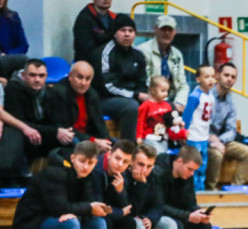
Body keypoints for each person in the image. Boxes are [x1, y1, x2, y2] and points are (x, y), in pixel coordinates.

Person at [92, 13, 149, 142]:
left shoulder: (138, 54)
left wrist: (145, 96)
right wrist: (136, 95)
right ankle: (128, 149)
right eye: (123, 30)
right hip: (104, 99)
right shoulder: (105, 52)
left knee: (160, 105)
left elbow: (142, 82)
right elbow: (107, 86)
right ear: (114, 33)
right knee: (131, 107)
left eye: (131, 30)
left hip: (130, 97)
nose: (127, 34)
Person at [43, 61, 113, 156]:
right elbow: (65, 128)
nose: (83, 83)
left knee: (117, 146)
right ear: (70, 76)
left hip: (88, 137)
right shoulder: (58, 93)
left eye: (87, 79)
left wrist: (106, 142)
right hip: (68, 139)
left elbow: (100, 124)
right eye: (79, 77)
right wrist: (94, 141)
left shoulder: (92, 95)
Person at [205, 62, 248, 190]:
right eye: (226, 75)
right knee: (216, 154)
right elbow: (198, 125)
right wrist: (213, 140)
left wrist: (220, 140)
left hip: (221, 140)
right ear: (217, 76)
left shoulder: (230, 102)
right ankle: (211, 189)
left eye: (233, 77)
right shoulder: (205, 95)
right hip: (202, 139)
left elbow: (232, 130)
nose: (229, 79)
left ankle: (235, 190)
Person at [137, 14, 189, 113]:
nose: (167, 33)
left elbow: (183, 84)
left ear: (175, 32)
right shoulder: (142, 51)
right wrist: (162, 102)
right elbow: (144, 82)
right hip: (151, 100)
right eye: (163, 29)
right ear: (155, 29)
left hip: (172, 101)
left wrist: (180, 102)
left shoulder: (177, 54)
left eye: (170, 30)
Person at [181, 65, 216, 191]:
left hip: (203, 136)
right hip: (193, 136)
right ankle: (192, 190)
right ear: (198, 79)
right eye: (207, 77)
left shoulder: (211, 96)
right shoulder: (195, 96)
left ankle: (201, 189)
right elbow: (187, 115)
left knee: (202, 165)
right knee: (192, 165)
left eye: (213, 76)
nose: (211, 80)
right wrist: (183, 132)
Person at [0, 0, 29, 80]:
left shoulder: (13, 17)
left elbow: (23, 45)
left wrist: (7, 54)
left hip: (10, 57)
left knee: (28, 65)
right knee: (24, 60)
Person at [137, 76, 183, 154]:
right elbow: (140, 122)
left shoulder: (167, 105)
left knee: (162, 156)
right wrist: (139, 137)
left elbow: (169, 122)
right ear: (153, 90)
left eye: (167, 91)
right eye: (162, 91)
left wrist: (176, 127)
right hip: (149, 138)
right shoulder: (146, 105)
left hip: (163, 137)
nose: (166, 94)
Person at [73, 0, 116, 64]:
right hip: (87, 65)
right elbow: (86, 50)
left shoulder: (114, 18)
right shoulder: (84, 19)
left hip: (109, 63)